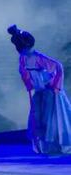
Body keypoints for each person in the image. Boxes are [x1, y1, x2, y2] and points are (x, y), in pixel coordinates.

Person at [9, 24, 71, 154]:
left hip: (50, 91)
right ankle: (41, 145)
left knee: (50, 118)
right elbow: (24, 73)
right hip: (38, 91)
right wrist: (29, 84)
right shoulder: (23, 58)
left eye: (23, 47)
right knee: (37, 117)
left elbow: (58, 67)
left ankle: (55, 145)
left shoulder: (39, 58)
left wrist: (56, 86)